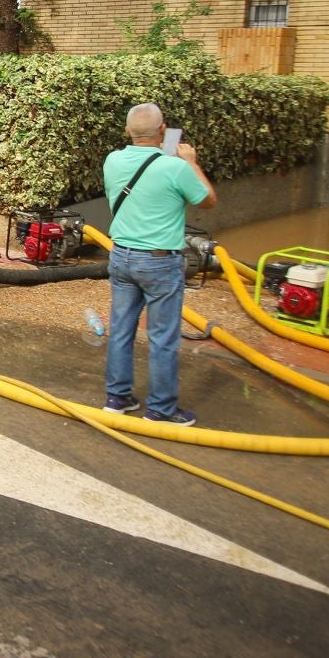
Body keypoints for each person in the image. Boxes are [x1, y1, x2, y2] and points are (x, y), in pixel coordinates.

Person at [102, 103, 216, 426]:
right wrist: (191, 163)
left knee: (121, 330)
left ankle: (117, 397)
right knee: (162, 337)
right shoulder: (175, 167)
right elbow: (207, 200)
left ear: (127, 131)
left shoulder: (112, 161)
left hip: (121, 256)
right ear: (163, 130)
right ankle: (161, 409)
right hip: (160, 262)